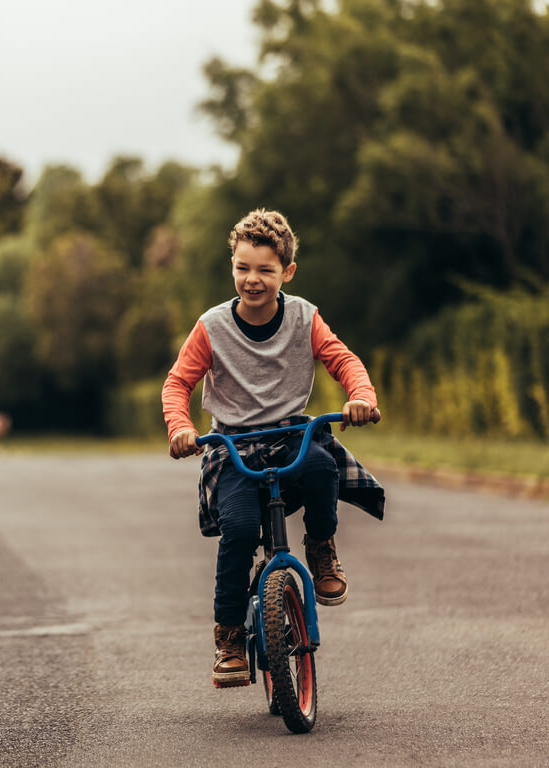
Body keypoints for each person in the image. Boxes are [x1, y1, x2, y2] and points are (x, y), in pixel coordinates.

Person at [162, 209, 385, 688]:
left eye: (265, 269)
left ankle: (321, 547)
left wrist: (361, 396)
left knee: (323, 467)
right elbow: (178, 383)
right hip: (233, 442)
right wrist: (180, 427)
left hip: (289, 433)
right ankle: (228, 637)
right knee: (239, 530)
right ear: (232, 267)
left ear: (287, 272)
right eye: (243, 268)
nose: (252, 280)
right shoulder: (212, 326)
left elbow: (341, 358)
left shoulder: (304, 316)